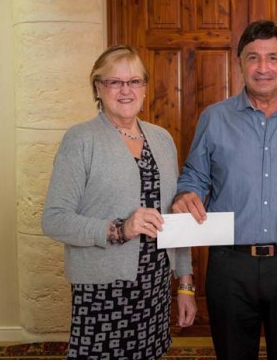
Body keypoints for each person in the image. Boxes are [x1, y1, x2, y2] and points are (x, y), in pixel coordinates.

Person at [172, 20, 277, 360]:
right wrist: (186, 194)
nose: (263, 67)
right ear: (240, 62)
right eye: (253, 57)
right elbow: (194, 177)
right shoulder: (214, 118)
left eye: (272, 57)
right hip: (229, 266)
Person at [42, 45, 197, 359]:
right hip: (102, 290)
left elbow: (175, 220)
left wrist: (185, 285)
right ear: (98, 88)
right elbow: (54, 219)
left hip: (155, 287)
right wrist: (119, 229)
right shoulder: (80, 139)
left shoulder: (162, 139)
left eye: (134, 81)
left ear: (145, 88)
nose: (126, 90)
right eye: (114, 82)